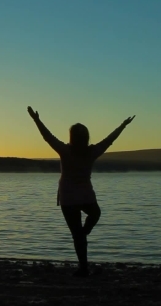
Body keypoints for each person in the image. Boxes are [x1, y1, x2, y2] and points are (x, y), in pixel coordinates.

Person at [27, 106, 135, 277]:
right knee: (93, 216)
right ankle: (83, 264)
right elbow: (109, 140)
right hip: (81, 195)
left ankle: (83, 260)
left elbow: (47, 137)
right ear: (86, 137)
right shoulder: (90, 152)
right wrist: (123, 125)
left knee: (80, 231)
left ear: (72, 137)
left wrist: (36, 119)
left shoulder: (66, 150)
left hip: (69, 197)